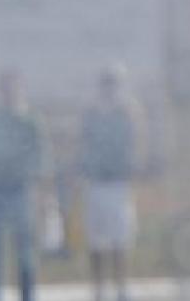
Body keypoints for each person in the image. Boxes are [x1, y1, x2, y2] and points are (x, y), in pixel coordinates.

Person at [0, 70, 50, 301]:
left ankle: (28, 295)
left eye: (14, 88)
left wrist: (40, 194)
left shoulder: (30, 121)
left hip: (21, 190)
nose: (10, 93)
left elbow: (40, 159)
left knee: (25, 251)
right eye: (5, 88)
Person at [78, 66, 146, 301]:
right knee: (96, 241)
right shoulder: (91, 113)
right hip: (96, 182)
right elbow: (84, 143)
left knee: (121, 238)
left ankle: (122, 287)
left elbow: (136, 141)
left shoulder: (127, 112)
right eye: (106, 83)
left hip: (119, 183)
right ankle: (99, 288)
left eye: (114, 83)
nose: (110, 88)